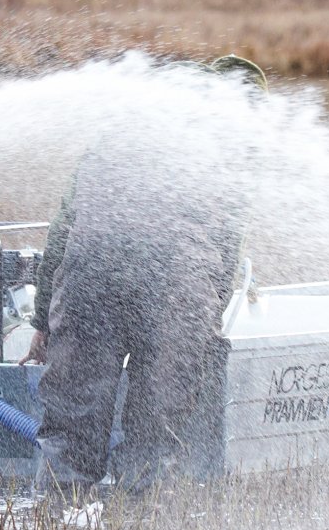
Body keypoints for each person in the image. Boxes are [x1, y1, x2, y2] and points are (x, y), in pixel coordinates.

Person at [29, 55, 267, 492]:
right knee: (157, 428)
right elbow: (225, 247)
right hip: (175, 284)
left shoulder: (125, 125)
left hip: (91, 276)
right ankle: (140, 518)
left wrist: (44, 320)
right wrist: (206, 320)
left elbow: (63, 229)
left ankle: (55, 518)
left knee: (71, 425)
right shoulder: (231, 146)